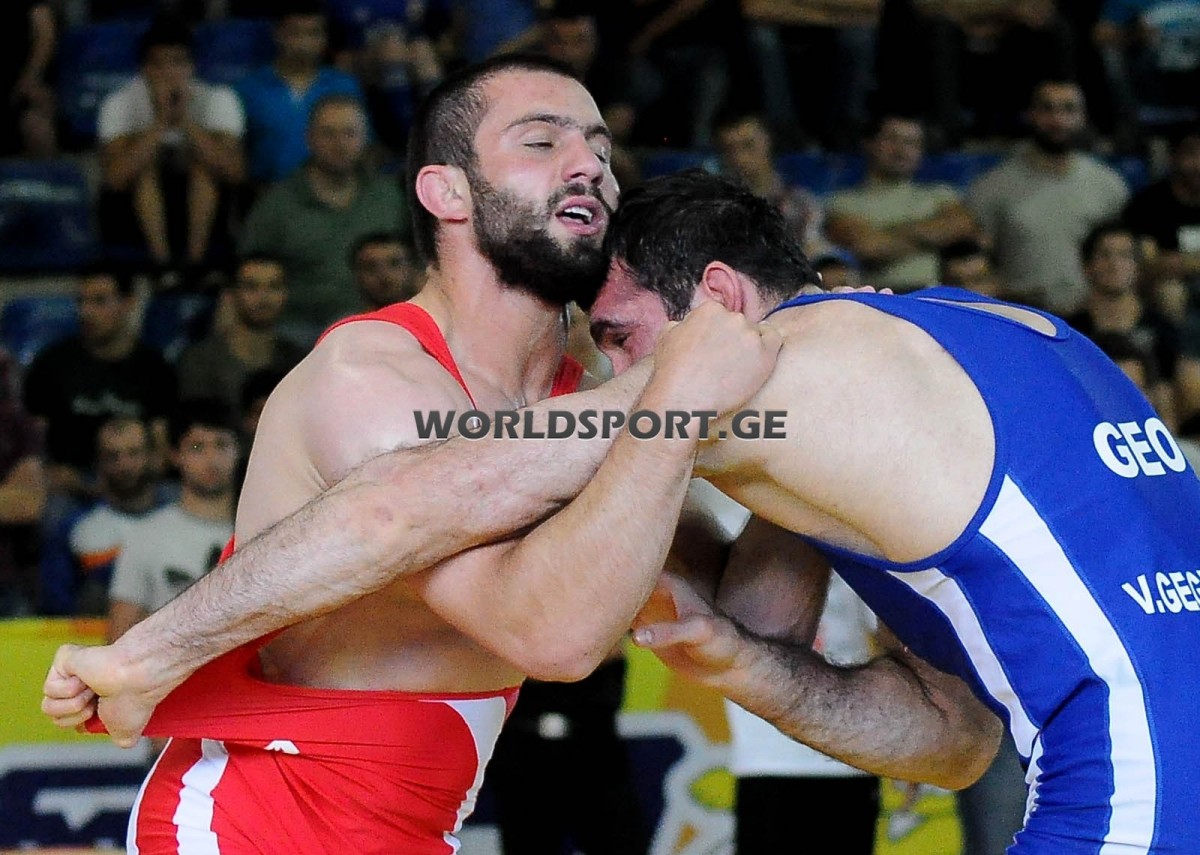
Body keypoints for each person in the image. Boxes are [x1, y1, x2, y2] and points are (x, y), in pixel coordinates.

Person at [41, 56, 780, 853]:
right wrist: (678, 392)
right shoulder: (372, 377)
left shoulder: (594, 406)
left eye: (601, 152)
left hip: (417, 830)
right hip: (255, 822)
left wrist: (796, 377)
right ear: (446, 192)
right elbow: (551, 634)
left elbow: (756, 619)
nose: (589, 168)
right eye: (542, 142)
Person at [582, 169, 1198, 854]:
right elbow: (956, 740)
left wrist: (509, 395)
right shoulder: (980, 335)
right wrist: (746, 666)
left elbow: (522, 456)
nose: (621, 375)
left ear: (720, 297)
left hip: (1140, 803)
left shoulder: (807, 373)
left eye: (620, 339)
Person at [107, 400, 238, 642]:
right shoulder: (145, 535)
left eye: (222, 444)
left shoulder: (259, 530)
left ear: (238, 450)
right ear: (176, 455)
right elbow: (118, 639)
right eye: (197, 447)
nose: (211, 458)